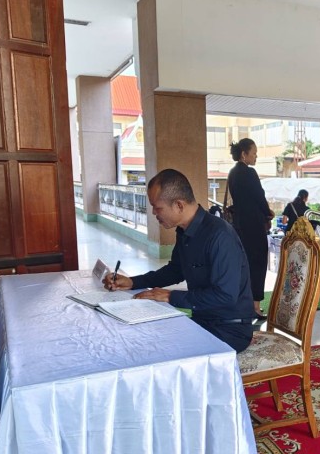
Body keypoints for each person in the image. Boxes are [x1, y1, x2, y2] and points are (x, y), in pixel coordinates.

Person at [103, 169, 255, 352]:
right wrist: (133, 282)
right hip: (203, 320)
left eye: (157, 208)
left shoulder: (220, 236)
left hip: (230, 329)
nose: (154, 213)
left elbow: (226, 296)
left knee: (156, 349)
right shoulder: (185, 231)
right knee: (141, 335)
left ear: (179, 205)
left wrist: (170, 296)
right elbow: (175, 270)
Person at [227, 138, 273, 320]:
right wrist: (268, 213)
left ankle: (243, 303)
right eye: (254, 153)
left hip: (240, 225)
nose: (256, 156)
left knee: (244, 264)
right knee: (258, 264)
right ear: (244, 154)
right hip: (254, 225)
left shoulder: (232, 173)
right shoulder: (249, 173)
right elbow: (259, 197)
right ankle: (255, 306)